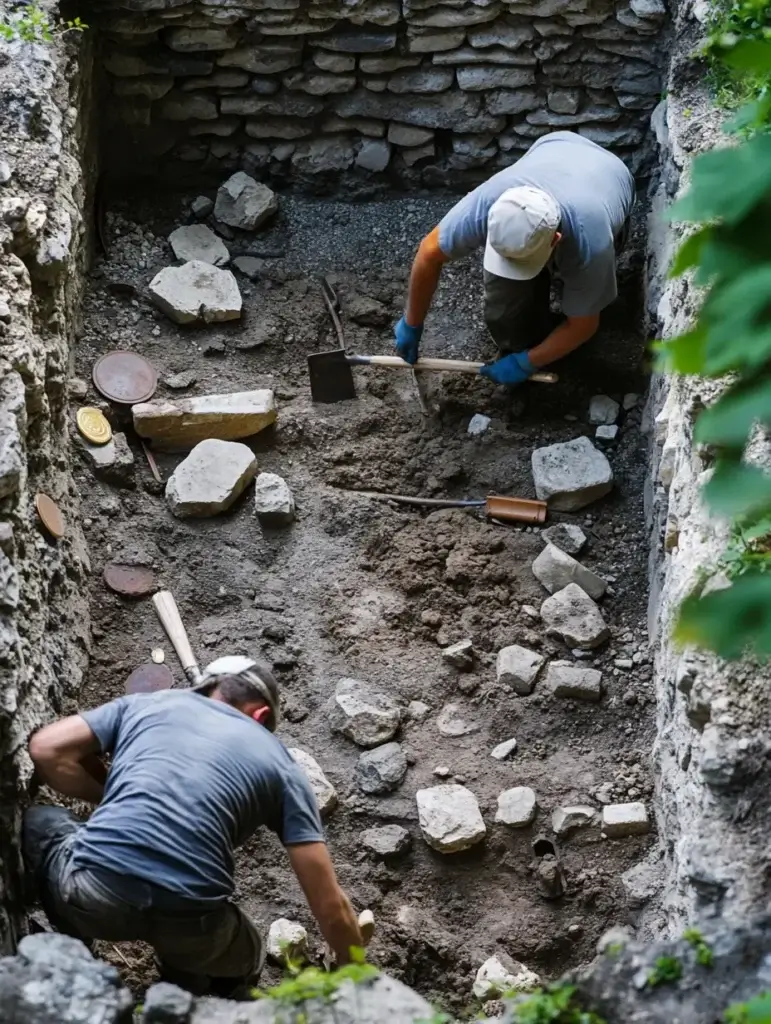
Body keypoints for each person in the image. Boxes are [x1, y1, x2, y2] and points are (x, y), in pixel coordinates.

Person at [23, 655, 363, 997]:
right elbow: (328, 906)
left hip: (93, 896)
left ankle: (75, 953)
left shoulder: (147, 705)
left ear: (204, 688)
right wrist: (354, 975)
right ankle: (184, 992)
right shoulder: (282, 766)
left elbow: (47, 749)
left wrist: (115, 793)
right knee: (246, 952)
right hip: (191, 926)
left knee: (41, 823)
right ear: (261, 716)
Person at [394, 130, 636, 387]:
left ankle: (547, 343)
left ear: (555, 239)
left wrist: (527, 363)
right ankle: (521, 341)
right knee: (506, 301)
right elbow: (429, 253)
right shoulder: (490, 203)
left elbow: (584, 325)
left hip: (610, 175)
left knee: (583, 289)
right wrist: (412, 323)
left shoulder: (592, 241)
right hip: (557, 145)